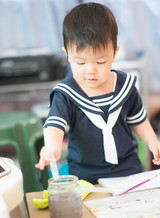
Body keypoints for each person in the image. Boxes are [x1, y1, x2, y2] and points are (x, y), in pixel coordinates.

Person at [35, 2, 160, 184]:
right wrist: (52, 147)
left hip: (129, 170)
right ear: (67, 54)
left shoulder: (125, 85)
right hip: (85, 176)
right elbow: (55, 124)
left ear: (115, 53)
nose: (91, 71)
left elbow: (138, 119)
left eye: (100, 62)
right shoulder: (65, 93)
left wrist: (152, 141)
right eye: (80, 62)